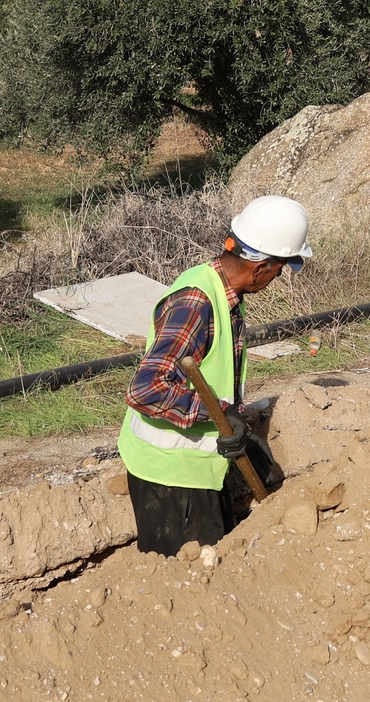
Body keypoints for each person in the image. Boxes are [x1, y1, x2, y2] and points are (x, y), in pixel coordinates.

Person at [117, 195, 311, 555]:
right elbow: (146, 389)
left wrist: (236, 420)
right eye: (280, 270)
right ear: (261, 267)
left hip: (196, 471)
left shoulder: (220, 289)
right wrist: (219, 414)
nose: (277, 278)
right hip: (172, 481)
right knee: (190, 590)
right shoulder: (196, 303)